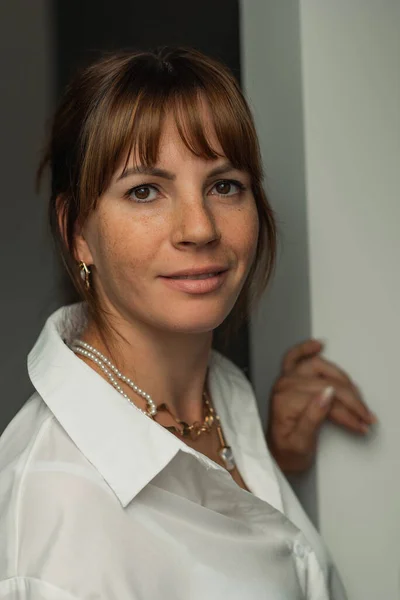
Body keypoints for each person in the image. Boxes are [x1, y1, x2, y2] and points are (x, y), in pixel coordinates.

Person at [0, 47, 376, 600]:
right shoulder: (53, 536)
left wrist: (274, 461)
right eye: (144, 191)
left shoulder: (222, 396)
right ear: (78, 230)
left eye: (225, 185)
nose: (199, 228)